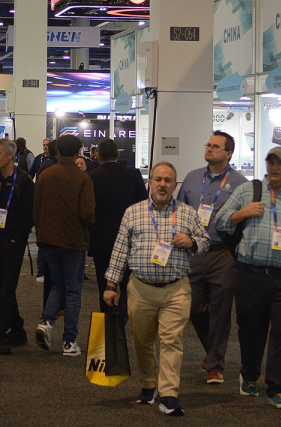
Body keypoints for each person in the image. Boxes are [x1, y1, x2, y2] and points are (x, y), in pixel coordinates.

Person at [215, 146, 281, 410]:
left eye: (280, 163)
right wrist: (244, 212)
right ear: (266, 165)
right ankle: (249, 375)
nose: (275, 167)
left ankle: (277, 388)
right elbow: (220, 221)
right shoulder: (247, 191)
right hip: (249, 275)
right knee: (251, 330)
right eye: (271, 162)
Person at [104, 161, 210, 417]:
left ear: (175, 185)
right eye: (158, 179)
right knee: (142, 341)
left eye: (167, 180)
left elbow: (205, 242)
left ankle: (169, 394)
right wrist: (111, 285)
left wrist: (192, 241)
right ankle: (148, 385)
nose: (162, 184)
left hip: (176, 290)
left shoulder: (187, 213)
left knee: (172, 341)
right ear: (149, 183)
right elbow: (120, 249)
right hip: (140, 289)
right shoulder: (133, 212)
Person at [175, 131, 248, 385]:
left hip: (222, 254)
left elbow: (244, 221)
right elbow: (179, 212)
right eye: (208, 145)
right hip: (194, 252)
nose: (210, 149)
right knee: (194, 308)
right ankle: (212, 350)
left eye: (216, 146)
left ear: (229, 153)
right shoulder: (192, 178)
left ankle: (215, 365)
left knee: (220, 311)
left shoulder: (240, 184)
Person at [33, 134, 95, 356]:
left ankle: (46, 321)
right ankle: (69, 341)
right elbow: (87, 214)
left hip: (48, 239)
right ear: (78, 152)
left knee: (58, 284)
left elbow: (36, 207)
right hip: (73, 240)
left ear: (57, 151)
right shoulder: (82, 178)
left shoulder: (45, 175)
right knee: (73, 291)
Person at [0, 138, 35, 354]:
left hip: (14, 243)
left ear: (10, 155)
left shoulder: (24, 181)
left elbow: (30, 214)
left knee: (6, 290)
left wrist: (17, 239)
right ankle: (18, 330)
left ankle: (0, 334)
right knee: (3, 287)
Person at [87, 138, 147, 316]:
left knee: (104, 284)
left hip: (101, 240)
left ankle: (108, 321)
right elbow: (144, 205)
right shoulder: (133, 174)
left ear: (98, 156)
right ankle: (122, 316)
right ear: (118, 154)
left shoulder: (92, 177)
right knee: (129, 284)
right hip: (130, 239)